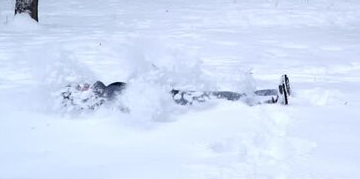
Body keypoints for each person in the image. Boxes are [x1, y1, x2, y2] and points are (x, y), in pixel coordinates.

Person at [61, 75, 290, 110]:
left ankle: (272, 92)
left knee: (219, 96)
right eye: (81, 89)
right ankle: (272, 98)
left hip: (169, 95)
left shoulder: (107, 91)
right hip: (172, 103)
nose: (85, 86)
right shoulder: (107, 98)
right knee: (220, 99)